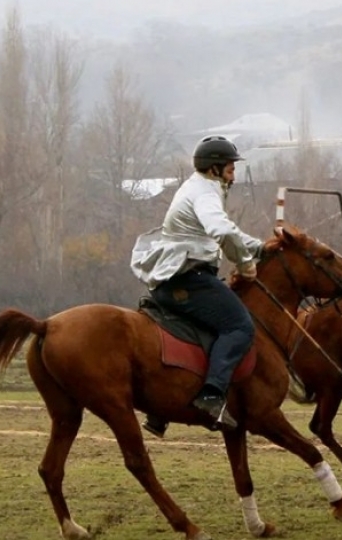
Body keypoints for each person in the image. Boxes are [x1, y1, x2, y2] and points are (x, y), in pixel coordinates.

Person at [131, 135, 262, 435]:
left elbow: (229, 230)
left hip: (169, 279)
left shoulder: (196, 186)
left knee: (199, 330)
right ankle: (212, 396)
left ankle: (162, 407)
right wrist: (245, 264)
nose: (234, 173)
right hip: (189, 278)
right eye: (230, 168)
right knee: (240, 327)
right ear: (215, 169)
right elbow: (220, 230)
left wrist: (259, 248)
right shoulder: (206, 192)